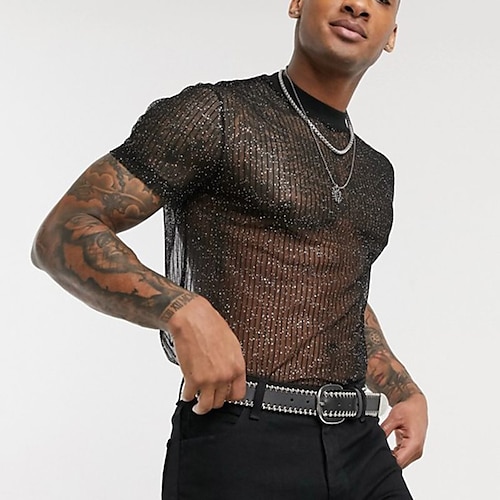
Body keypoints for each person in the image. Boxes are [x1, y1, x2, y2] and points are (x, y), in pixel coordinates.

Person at [32, 0, 428, 498]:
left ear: (392, 35)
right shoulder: (214, 114)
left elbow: (334, 292)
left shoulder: (376, 172)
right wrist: (182, 309)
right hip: (241, 437)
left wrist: (402, 387)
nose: (359, 5)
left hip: (360, 447)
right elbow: (63, 232)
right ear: (297, 3)